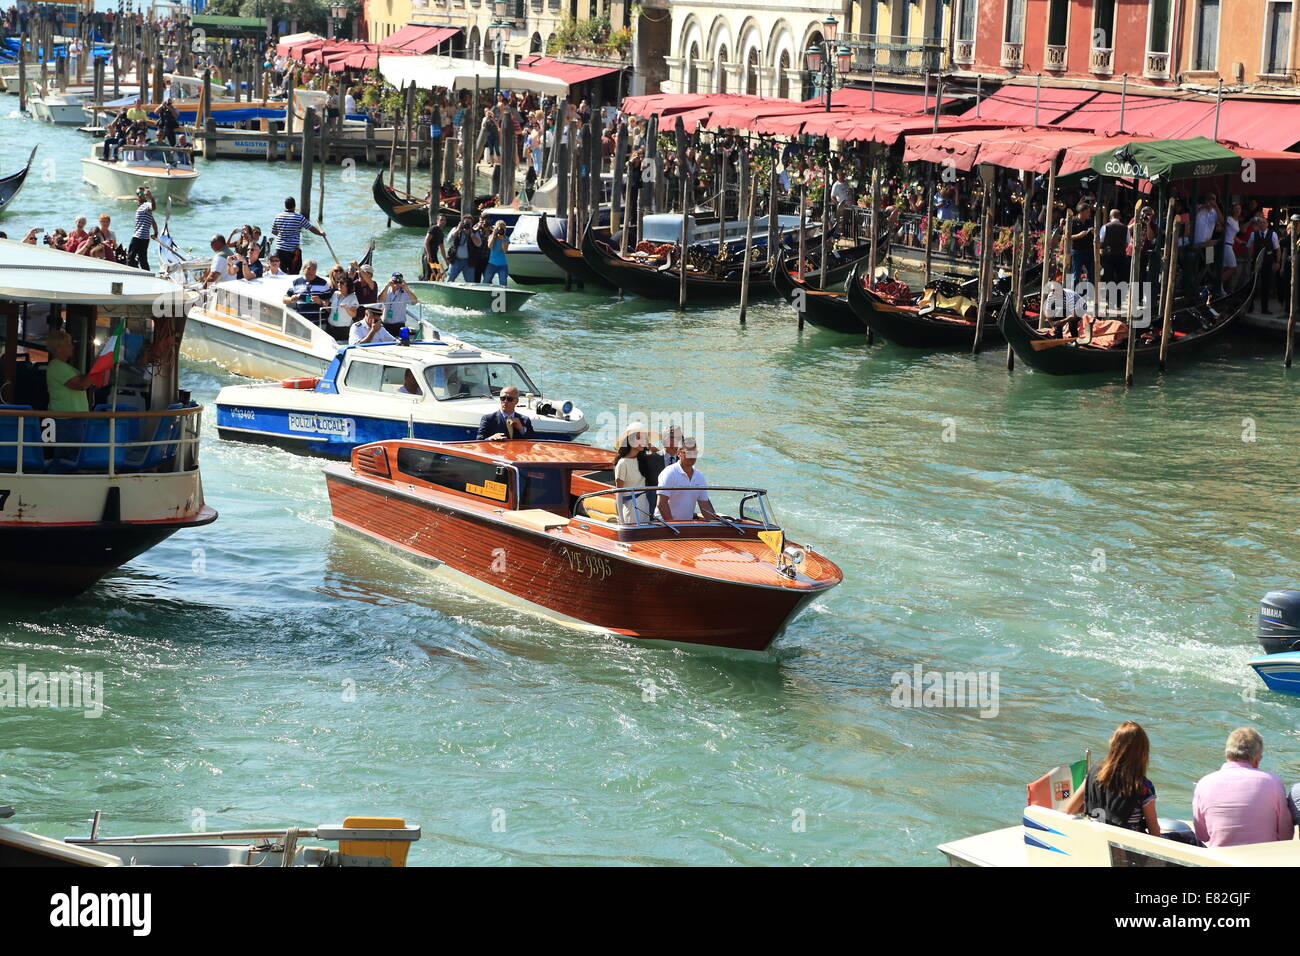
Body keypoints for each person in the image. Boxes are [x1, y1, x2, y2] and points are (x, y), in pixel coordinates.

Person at [1191, 727, 1293, 847]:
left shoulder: (1204, 783)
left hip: (1220, 860)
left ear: (1227, 754)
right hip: (1264, 859)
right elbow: (1286, 835)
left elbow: (1202, 835)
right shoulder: (1273, 782)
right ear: (1257, 758)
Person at [1062, 721, 1163, 836]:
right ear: (1142, 752)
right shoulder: (1143, 786)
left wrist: (1098, 807)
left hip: (1097, 839)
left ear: (1114, 745)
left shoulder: (1094, 774)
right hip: (1127, 848)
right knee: (1185, 837)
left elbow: (1070, 810)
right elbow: (1154, 832)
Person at [656, 438, 718, 522]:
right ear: (679, 453)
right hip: (663, 525)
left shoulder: (700, 477)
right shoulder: (669, 473)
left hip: (686, 525)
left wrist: (715, 524)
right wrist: (672, 525)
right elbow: (661, 503)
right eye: (688, 453)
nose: (692, 456)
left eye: (694, 453)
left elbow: (704, 506)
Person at [271, 196, 324, 276]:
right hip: (293, 251)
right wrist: (321, 233)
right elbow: (311, 228)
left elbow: (274, 231)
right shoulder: (299, 217)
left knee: (281, 273)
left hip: (280, 249)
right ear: (294, 206)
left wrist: (284, 234)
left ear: (285, 205)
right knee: (294, 274)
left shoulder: (278, 216)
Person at [613, 424, 654, 524]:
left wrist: (651, 448)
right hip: (631, 508)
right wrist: (621, 519)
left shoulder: (643, 460)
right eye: (639, 438)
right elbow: (619, 493)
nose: (643, 441)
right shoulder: (622, 463)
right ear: (630, 440)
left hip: (645, 505)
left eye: (644, 438)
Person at [284, 260, 332, 326]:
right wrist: (291, 299)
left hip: (319, 323)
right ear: (303, 269)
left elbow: (330, 304)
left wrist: (320, 302)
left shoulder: (323, 283)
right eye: (309, 269)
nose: (311, 271)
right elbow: (284, 299)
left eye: (314, 269)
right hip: (300, 323)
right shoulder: (296, 283)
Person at [1249, 215, 1281, 314]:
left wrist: (1277, 262)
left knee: (1266, 286)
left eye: (1264, 222)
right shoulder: (1253, 234)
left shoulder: (1273, 234)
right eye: (1260, 223)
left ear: (1267, 224)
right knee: (1252, 286)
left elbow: (1277, 249)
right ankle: (1250, 307)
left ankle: (1264, 308)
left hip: (1268, 263)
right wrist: (1250, 259)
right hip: (1256, 263)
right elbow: (1249, 247)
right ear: (1258, 224)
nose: (1262, 224)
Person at [1098, 208, 1129, 291]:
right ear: (1119, 217)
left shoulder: (1105, 227)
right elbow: (1127, 243)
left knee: (1109, 277)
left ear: (1110, 216)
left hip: (1108, 255)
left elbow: (1100, 242)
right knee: (1120, 278)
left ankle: (1110, 300)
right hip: (1121, 255)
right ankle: (1118, 301)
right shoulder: (1125, 228)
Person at [126, 187, 156, 271]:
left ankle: (132, 274)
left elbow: (153, 207)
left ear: (145, 196)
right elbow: (153, 221)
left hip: (138, 237)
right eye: (138, 193)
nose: (139, 195)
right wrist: (156, 232)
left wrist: (152, 198)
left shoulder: (146, 205)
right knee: (143, 260)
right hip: (144, 238)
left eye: (141, 194)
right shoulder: (141, 208)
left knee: (130, 258)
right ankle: (147, 275)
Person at [378, 273, 416, 337]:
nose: (396, 283)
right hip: (385, 324)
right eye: (394, 280)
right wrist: (387, 286)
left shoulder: (405, 292)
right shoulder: (386, 290)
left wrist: (406, 288)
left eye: (398, 280)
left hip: (399, 324)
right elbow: (379, 300)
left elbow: (414, 302)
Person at [445, 215, 480, 283]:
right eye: (465, 222)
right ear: (461, 222)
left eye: (469, 223)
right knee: (449, 280)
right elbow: (449, 240)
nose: (467, 224)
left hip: (468, 262)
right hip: (456, 260)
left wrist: (471, 234)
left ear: (471, 224)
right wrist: (458, 229)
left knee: (470, 283)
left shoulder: (474, 232)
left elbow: (478, 244)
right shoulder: (456, 229)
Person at [1068, 203, 1095, 292]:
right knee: (1076, 275)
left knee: (1091, 274)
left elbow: (1096, 235)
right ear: (1081, 212)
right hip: (1077, 251)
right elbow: (1067, 237)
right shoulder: (1073, 221)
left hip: (1089, 250)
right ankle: (1074, 293)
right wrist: (1079, 235)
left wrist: (1093, 232)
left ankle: (1090, 294)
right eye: (1087, 212)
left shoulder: (1089, 221)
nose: (1089, 214)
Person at [484, 221, 510, 287]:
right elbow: (489, 246)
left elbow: (505, 251)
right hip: (492, 264)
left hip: (502, 265)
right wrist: (493, 235)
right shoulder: (491, 236)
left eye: (502, 228)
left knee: (503, 282)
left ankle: (502, 295)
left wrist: (502, 240)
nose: (500, 229)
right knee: (486, 281)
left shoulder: (506, 238)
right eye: (499, 228)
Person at [422, 214, 447, 281]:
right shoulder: (433, 229)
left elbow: (442, 248)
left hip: (434, 256)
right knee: (428, 276)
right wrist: (428, 255)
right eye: (441, 220)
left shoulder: (441, 233)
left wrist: (446, 260)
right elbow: (426, 242)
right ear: (437, 220)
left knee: (436, 275)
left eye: (444, 220)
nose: (443, 221)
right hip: (427, 255)